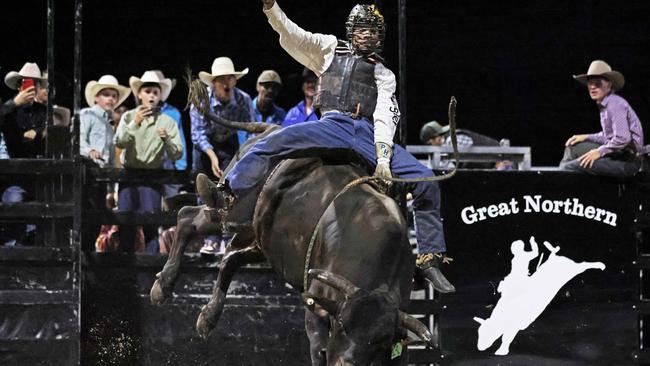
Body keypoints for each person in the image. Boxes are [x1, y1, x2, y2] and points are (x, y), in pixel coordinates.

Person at [197, 1, 455, 292]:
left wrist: (383, 159)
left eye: (373, 32)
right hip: (331, 124)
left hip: (368, 133)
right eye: (363, 31)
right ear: (352, 31)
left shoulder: (384, 74)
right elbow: (296, 36)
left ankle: (429, 258)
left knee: (426, 181)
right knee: (273, 142)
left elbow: (385, 114)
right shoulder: (330, 48)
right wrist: (272, 9)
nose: (368, 37)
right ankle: (226, 192)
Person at [114, 71, 183, 253]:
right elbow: (119, 141)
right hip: (129, 174)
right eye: (148, 91)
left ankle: (151, 272)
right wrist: (135, 124)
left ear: (160, 96)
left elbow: (177, 153)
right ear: (139, 94)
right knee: (125, 223)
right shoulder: (129, 117)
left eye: (155, 92)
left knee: (150, 224)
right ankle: (124, 273)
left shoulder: (167, 122)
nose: (152, 95)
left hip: (152, 177)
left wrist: (167, 140)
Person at [559, 60, 644, 177]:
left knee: (568, 167)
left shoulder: (615, 104)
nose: (593, 87)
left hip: (627, 161)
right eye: (590, 83)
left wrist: (599, 152)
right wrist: (586, 137)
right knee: (572, 148)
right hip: (619, 153)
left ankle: (562, 191)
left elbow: (622, 138)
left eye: (598, 83)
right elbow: (609, 137)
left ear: (609, 85)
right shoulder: (606, 104)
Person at [191, 57, 255, 181]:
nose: (226, 84)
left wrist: (248, 153)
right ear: (214, 83)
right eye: (221, 79)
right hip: (205, 148)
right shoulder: (201, 101)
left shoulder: (243, 100)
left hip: (228, 143)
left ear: (235, 81)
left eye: (229, 78)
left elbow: (251, 129)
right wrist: (213, 157)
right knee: (203, 184)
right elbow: (198, 133)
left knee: (228, 184)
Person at [80, 75, 131, 167]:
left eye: (114, 96)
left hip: (103, 172)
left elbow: (111, 154)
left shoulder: (109, 125)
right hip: (87, 168)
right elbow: (79, 137)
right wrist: (90, 151)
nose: (110, 98)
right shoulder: (88, 114)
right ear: (96, 98)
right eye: (106, 95)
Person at [0, 62, 48, 159]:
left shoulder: (43, 110)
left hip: (38, 164)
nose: (31, 87)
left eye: (35, 83)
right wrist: (15, 103)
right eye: (27, 83)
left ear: (38, 87)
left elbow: (48, 128)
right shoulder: (9, 109)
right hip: (12, 163)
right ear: (19, 86)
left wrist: (37, 132)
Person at [420, 120, 509, 169]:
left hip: (502, 163)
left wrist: (446, 156)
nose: (430, 147)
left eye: (430, 143)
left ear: (436, 138)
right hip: (491, 167)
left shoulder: (452, 139)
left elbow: (466, 145)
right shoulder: (444, 147)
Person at [239, 70, 286, 144]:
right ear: (258, 87)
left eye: (274, 88)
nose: (270, 91)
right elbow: (242, 141)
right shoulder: (245, 111)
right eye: (267, 86)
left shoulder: (281, 115)